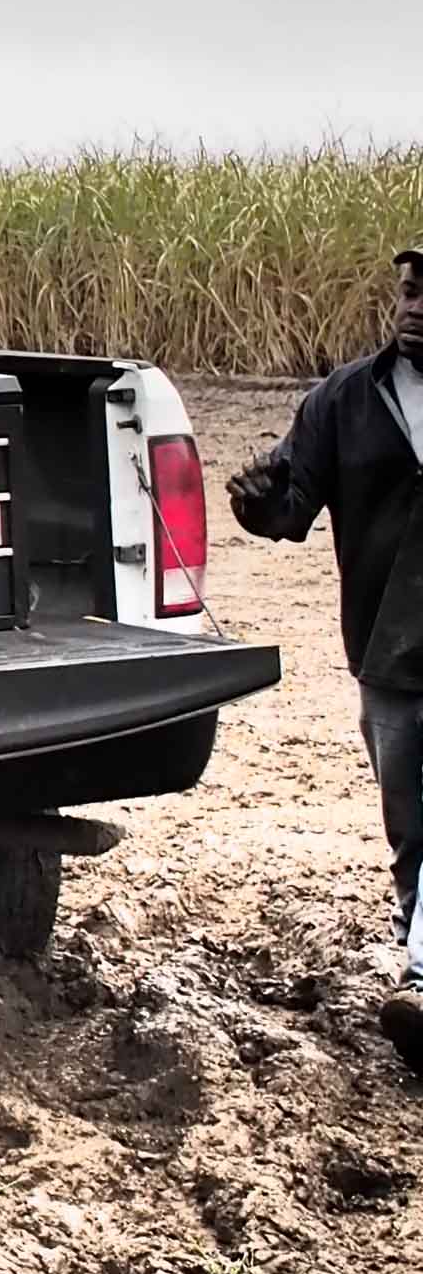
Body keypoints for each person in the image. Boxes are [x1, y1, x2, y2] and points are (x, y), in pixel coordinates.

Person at [228, 247, 423, 1066]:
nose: (413, 307)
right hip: (388, 649)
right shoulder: (345, 399)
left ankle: (421, 976)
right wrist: (258, 499)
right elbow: (291, 504)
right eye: (410, 292)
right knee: (413, 829)